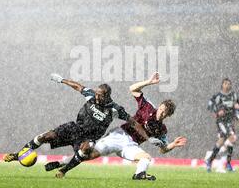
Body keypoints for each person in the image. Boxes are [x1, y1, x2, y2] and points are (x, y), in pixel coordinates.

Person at [46, 72, 187, 180]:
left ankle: (139, 175)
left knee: (146, 158)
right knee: (88, 155)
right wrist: (149, 82)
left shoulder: (162, 130)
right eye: (161, 109)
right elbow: (133, 89)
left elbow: (163, 149)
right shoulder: (148, 107)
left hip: (131, 145)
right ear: (160, 106)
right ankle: (60, 163)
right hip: (119, 135)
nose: (161, 113)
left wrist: (172, 145)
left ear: (168, 116)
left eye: (165, 113)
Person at [3, 73, 147, 167]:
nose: (96, 97)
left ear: (107, 95)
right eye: (96, 94)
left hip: (88, 138)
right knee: (45, 136)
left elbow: (133, 122)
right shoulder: (91, 96)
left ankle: (61, 165)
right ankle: (19, 154)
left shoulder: (115, 109)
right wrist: (61, 80)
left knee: (85, 155)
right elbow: (78, 86)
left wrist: (148, 138)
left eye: (100, 95)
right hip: (74, 128)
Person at [205, 78, 239, 172]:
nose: (227, 85)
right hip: (221, 122)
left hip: (230, 121)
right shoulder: (218, 96)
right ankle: (225, 162)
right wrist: (217, 111)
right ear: (222, 85)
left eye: (229, 84)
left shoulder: (233, 95)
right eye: (225, 83)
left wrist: (238, 118)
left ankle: (210, 161)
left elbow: (236, 107)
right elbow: (210, 105)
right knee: (232, 138)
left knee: (222, 141)